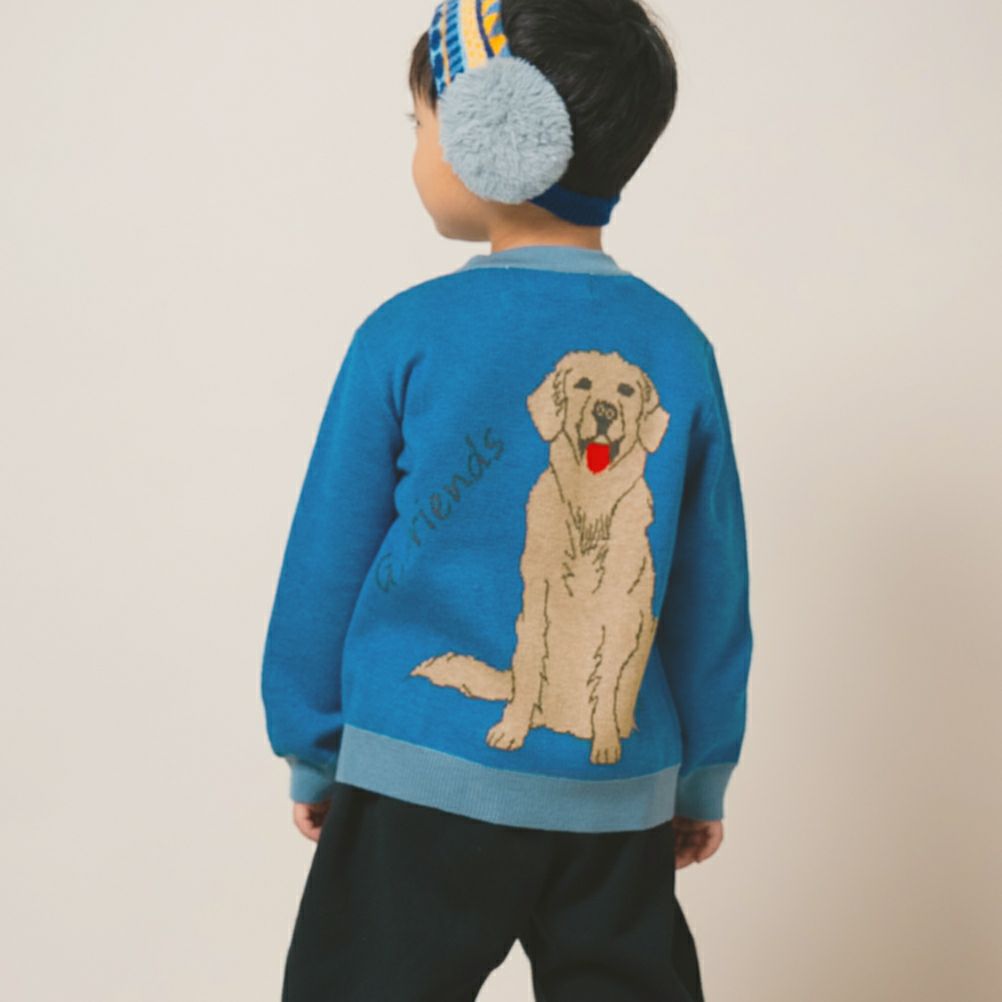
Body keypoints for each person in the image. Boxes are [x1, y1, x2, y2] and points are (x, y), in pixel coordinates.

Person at [260, 1, 753, 998]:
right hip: (614, 799)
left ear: (493, 133)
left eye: (421, 123)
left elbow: (328, 556)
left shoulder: (404, 333)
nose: (417, 148)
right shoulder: (677, 347)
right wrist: (700, 774)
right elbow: (711, 588)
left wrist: (315, 747)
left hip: (414, 786)